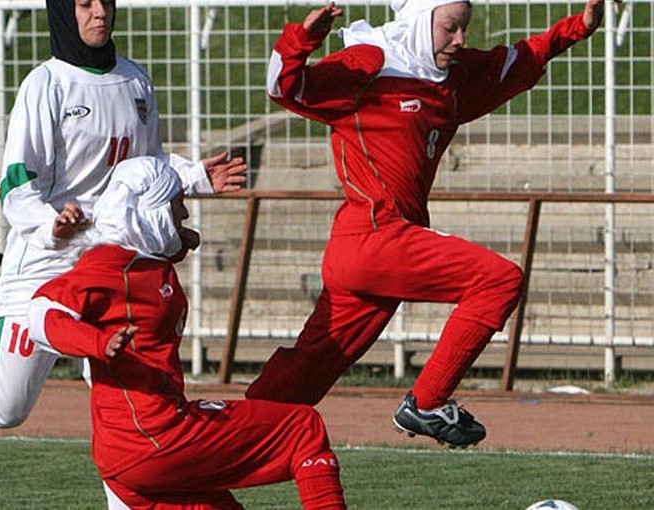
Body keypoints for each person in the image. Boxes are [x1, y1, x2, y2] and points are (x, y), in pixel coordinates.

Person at [245, 0, 614, 447]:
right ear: (420, 21)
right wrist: (303, 40)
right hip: (377, 235)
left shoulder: (452, 77)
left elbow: (521, 58)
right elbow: (283, 87)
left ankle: (220, 443)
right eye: (449, 27)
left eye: (465, 29)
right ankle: (426, 403)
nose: (460, 40)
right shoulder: (370, 62)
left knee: (300, 378)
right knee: (498, 281)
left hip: (372, 250)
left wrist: (580, 26)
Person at [0, 0, 246, 429]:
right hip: (45, 259)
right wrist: (51, 225)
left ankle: (131, 493)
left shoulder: (136, 79)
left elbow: (148, 167)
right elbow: (17, 187)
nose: (100, 13)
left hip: (109, 260)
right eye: (85, 4)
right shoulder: (45, 84)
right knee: (4, 409)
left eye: (106, 2)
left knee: (129, 402)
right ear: (61, 11)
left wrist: (195, 177)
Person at [27, 156, 347, 510]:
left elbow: (147, 273)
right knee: (301, 426)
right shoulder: (109, 263)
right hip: (157, 437)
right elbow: (41, 316)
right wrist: (98, 343)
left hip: (129, 460)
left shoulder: (140, 258)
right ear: (153, 210)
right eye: (177, 204)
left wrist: (180, 241)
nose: (184, 214)